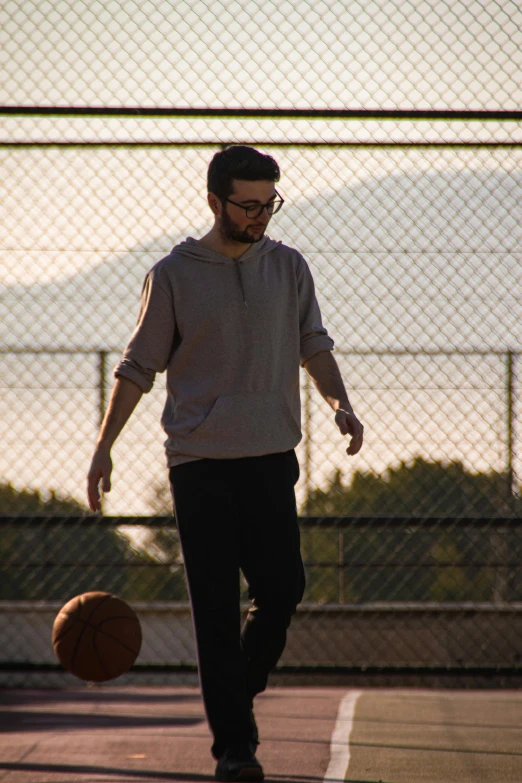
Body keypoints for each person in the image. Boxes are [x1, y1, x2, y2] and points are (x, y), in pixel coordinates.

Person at [87, 145, 364, 782]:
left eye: (268, 203)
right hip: (200, 464)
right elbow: (136, 369)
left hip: (270, 456)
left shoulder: (289, 267)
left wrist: (340, 403)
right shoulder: (174, 273)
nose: (259, 215)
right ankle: (234, 748)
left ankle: (234, 692)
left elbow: (313, 343)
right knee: (214, 609)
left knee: (284, 588)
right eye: (247, 204)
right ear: (214, 201)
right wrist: (103, 447)